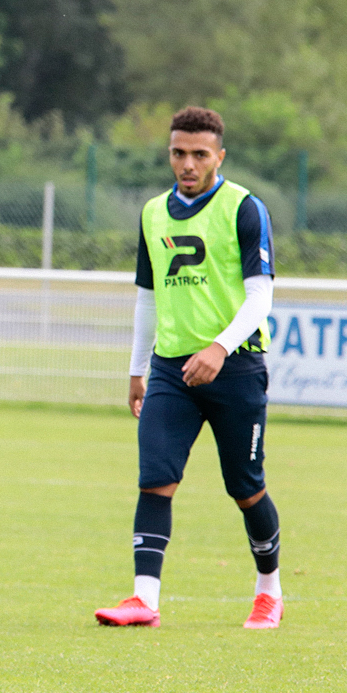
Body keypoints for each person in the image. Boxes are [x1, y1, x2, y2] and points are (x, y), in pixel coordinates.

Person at [95, 105, 283, 631]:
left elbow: (260, 300)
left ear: (219, 156)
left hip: (236, 369)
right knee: (156, 480)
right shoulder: (153, 213)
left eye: (200, 154)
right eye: (179, 152)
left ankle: (269, 590)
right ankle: (143, 599)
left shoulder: (245, 209)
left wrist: (219, 348)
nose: (188, 163)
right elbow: (147, 297)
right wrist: (137, 369)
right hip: (170, 371)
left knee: (245, 488)